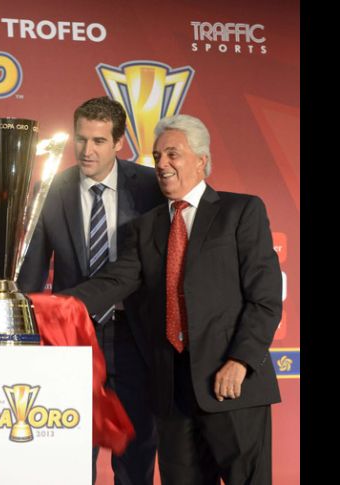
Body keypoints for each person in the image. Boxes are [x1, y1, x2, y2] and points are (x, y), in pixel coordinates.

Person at [65, 114, 282, 484]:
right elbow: (114, 281)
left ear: (201, 160)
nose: (161, 164)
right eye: (156, 156)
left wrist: (240, 360)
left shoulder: (241, 211)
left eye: (172, 154)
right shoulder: (146, 227)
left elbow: (265, 298)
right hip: (171, 394)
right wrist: (51, 306)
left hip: (232, 386)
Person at [18, 96, 163, 484]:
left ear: (119, 143)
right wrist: (23, 336)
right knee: (69, 442)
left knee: (135, 449)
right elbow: (31, 273)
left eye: (98, 141)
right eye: (81, 139)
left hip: (135, 335)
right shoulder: (50, 188)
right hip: (70, 337)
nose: (86, 150)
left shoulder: (150, 188)